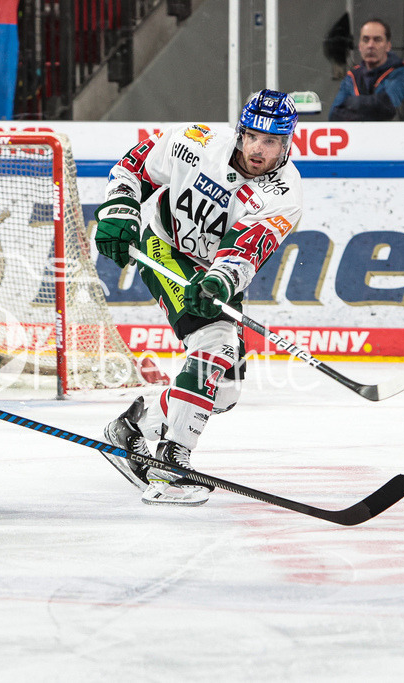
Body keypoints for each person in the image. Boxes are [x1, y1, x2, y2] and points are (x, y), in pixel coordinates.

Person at [93, 90, 303, 506]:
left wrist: (219, 281)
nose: (259, 149)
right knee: (216, 345)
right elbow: (133, 166)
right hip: (164, 249)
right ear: (241, 132)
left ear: (288, 143)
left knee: (223, 390)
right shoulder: (195, 141)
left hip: (215, 272)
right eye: (253, 137)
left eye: (272, 141)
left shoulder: (285, 193)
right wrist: (120, 208)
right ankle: (171, 466)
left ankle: (129, 429)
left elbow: (247, 247)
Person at [329, 18, 404, 121]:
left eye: (377, 40)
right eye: (366, 40)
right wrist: (371, 107)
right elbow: (334, 115)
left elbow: (389, 108)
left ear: (388, 46)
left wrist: (352, 103)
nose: (370, 45)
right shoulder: (351, 76)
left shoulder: (402, 72)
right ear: (360, 46)